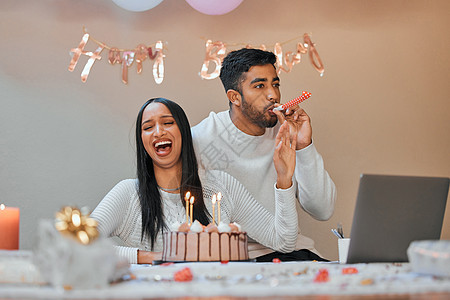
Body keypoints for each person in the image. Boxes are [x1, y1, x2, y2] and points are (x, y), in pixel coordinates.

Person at [90, 98, 300, 264]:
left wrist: (284, 179)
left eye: (168, 123)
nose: (158, 132)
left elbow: (284, 240)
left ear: (183, 132)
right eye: (148, 127)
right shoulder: (128, 194)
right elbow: (78, 245)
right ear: (142, 141)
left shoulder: (220, 186)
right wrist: (150, 257)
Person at [191, 48, 337, 261]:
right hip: (234, 258)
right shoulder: (202, 138)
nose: (273, 95)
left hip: (292, 252)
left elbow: (322, 210)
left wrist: (304, 146)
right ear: (235, 97)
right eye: (260, 86)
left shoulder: (286, 131)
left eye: (275, 84)